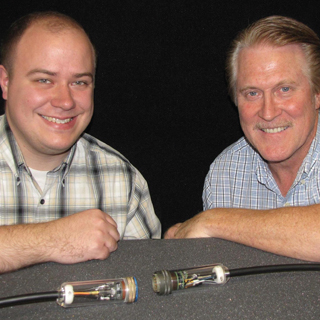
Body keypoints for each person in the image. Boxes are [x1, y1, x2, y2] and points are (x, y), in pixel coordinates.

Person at [0, 11, 161, 273]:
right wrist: (54, 240)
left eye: (79, 82)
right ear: (6, 82)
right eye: (44, 80)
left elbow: (148, 294)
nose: (65, 101)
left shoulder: (123, 182)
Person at [165, 15, 320, 262]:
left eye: (285, 89)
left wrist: (214, 221)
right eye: (252, 93)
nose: (268, 112)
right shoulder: (224, 173)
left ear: (316, 95)